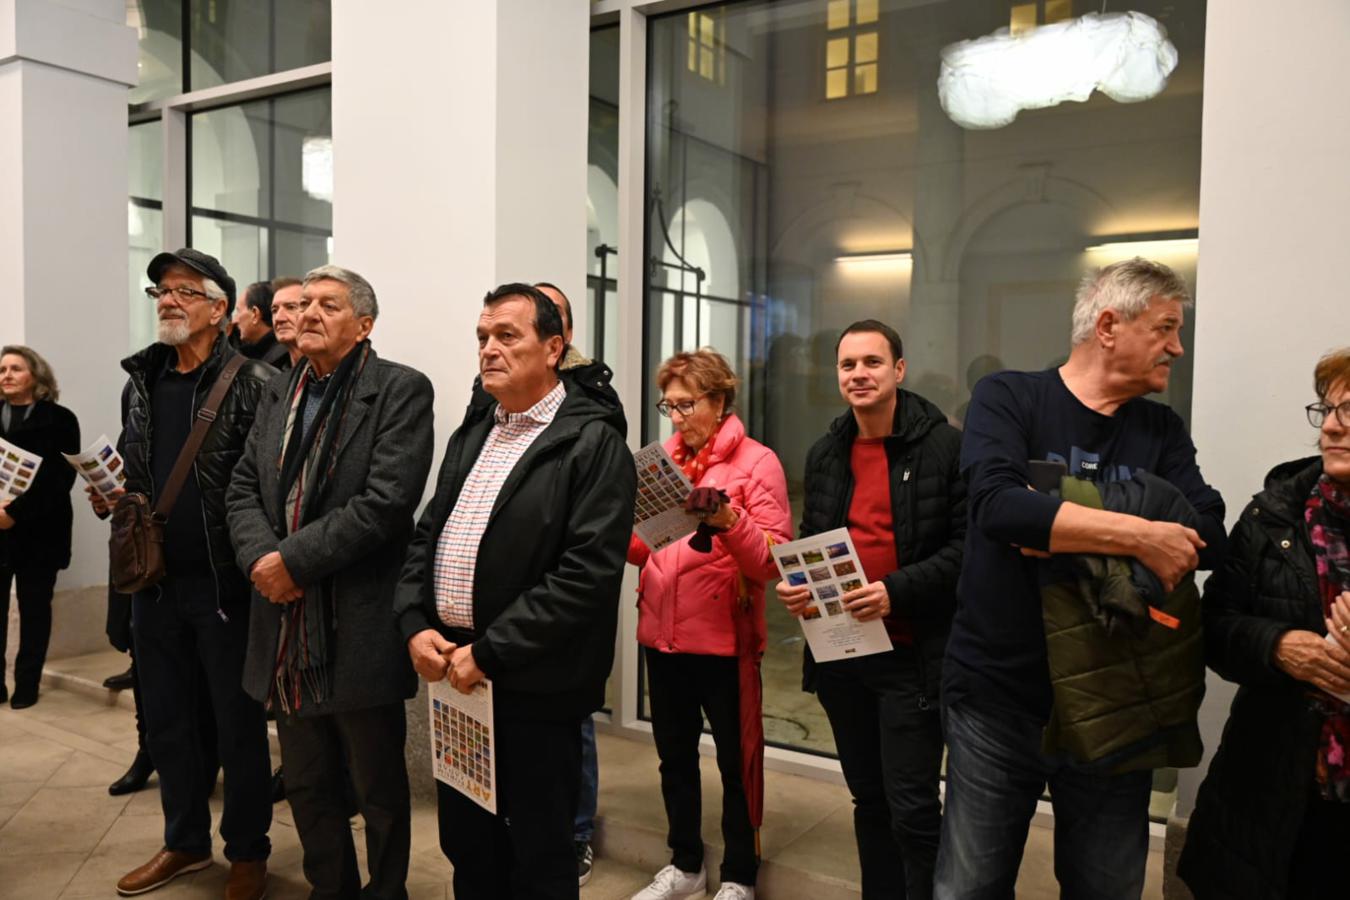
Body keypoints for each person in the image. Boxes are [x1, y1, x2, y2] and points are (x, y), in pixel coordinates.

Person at [934, 258, 1226, 899]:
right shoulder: (1009, 397)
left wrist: (1060, 519)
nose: (1177, 347)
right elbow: (999, 508)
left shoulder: (1160, 429)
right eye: (1166, 328)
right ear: (1109, 326)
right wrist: (1143, 534)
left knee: (1107, 888)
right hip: (997, 698)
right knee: (968, 887)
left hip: (1116, 703)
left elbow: (1207, 531)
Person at [395, 283, 635, 900]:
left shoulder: (592, 442)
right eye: (483, 337)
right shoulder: (475, 431)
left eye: (507, 335)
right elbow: (428, 533)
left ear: (554, 348)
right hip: (457, 678)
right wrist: (414, 622)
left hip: (533, 687)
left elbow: (586, 574)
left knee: (539, 856)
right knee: (469, 847)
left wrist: (491, 651)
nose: (489, 349)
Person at [227, 264, 434, 900]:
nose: (309, 313)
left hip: (357, 618)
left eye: (329, 305)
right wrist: (263, 561)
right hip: (285, 623)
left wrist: (291, 562)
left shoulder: (399, 389)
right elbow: (242, 487)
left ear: (364, 325)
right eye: (304, 302)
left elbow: (386, 502)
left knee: (377, 786)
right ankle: (330, 888)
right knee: (308, 781)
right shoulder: (279, 389)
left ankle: (387, 889)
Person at [90, 248, 275, 900]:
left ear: (220, 309)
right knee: (168, 721)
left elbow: (271, 488)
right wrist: (115, 497)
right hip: (154, 584)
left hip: (227, 588)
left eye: (184, 291)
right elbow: (138, 467)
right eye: (161, 291)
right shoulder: (140, 383)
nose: (168, 300)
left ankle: (248, 851)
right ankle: (186, 842)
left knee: (237, 725)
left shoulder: (258, 383)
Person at [775, 320, 963, 899]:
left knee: (912, 809)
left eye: (872, 362)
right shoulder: (826, 453)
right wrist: (798, 589)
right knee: (868, 799)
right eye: (848, 364)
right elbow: (812, 540)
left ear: (899, 370)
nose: (859, 374)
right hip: (842, 657)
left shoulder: (944, 447)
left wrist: (894, 591)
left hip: (911, 659)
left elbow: (966, 552)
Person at [1178, 348, 1350, 900]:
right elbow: (1215, 625)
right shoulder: (1274, 515)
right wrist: (1278, 645)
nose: (1330, 427)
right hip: (1279, 794)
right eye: (1326, 410)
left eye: (1349, 412)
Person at [630, 349, 792, 900]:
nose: (676, 418)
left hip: (725, 641)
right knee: (674, 759)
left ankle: (740, 874)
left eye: (686, 405)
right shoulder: (663, 462)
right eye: (668, 406)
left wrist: (727, 520)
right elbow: (640, 551)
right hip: (662, 637)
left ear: (719, 401)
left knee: (735, 763)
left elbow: (772, 561)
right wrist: (621, 517)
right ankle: (686, 866)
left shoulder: (757, 462)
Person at [536, 280, 605, 887]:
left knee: (574, 724)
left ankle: (578, 833)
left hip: (563, 599)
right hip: (512, 604)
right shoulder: (492, 400)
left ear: (563, 336)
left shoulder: (592, 396)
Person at [0, 345, 80, 708]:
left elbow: (59, 478)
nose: (7, 375)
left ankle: (27, 683)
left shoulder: (60, 419)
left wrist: (14, 512)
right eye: (2, 369)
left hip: (40, 531)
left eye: (15, 368)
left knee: (34, 609)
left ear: (36, 375)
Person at [232, 281, 290, 369]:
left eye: (238, 311)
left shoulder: (280, 361)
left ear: (255, 314)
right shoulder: (264, 354)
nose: (235, 320)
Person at [269, 276, 305, 369]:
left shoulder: (335, 371)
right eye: (274, 310)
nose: (278, 318)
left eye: (291, 307)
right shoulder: (270, 372)